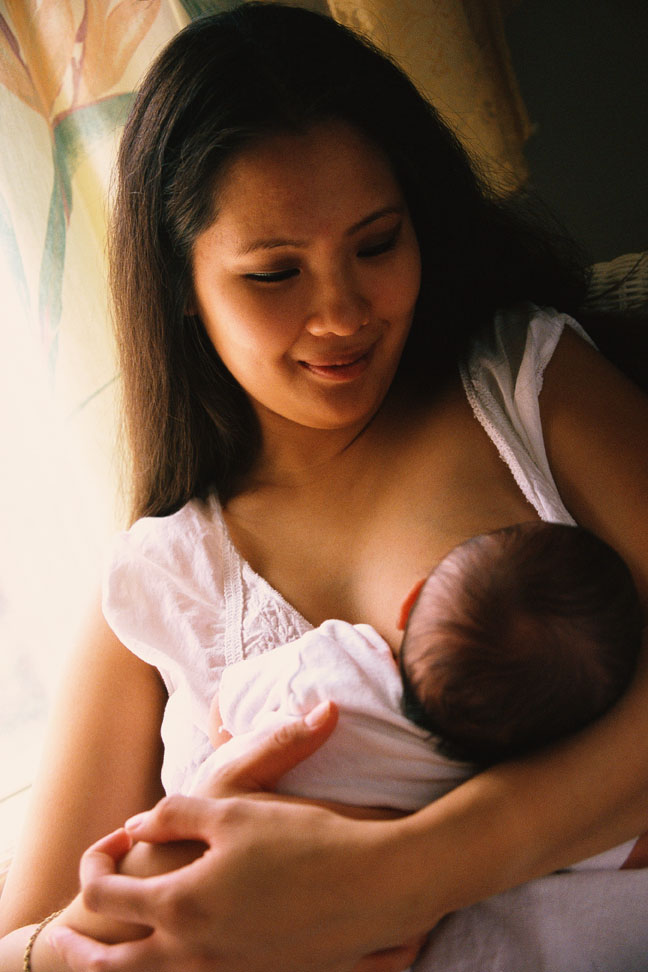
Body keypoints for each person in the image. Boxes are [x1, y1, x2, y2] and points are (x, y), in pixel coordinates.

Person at [0, 4, 647, 972]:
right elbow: (19, 943)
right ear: (185, 286)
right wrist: (96, 953)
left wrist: (396, 877)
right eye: (274, 274)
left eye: (377, 244)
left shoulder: (524, 385)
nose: (341, 312)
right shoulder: (160, 575)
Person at [191, 521, 645, 873]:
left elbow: (225, 702)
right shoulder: (487, 789)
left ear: (409, 604)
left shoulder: (330, 663)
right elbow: (615, 847)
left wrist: (228, 746)